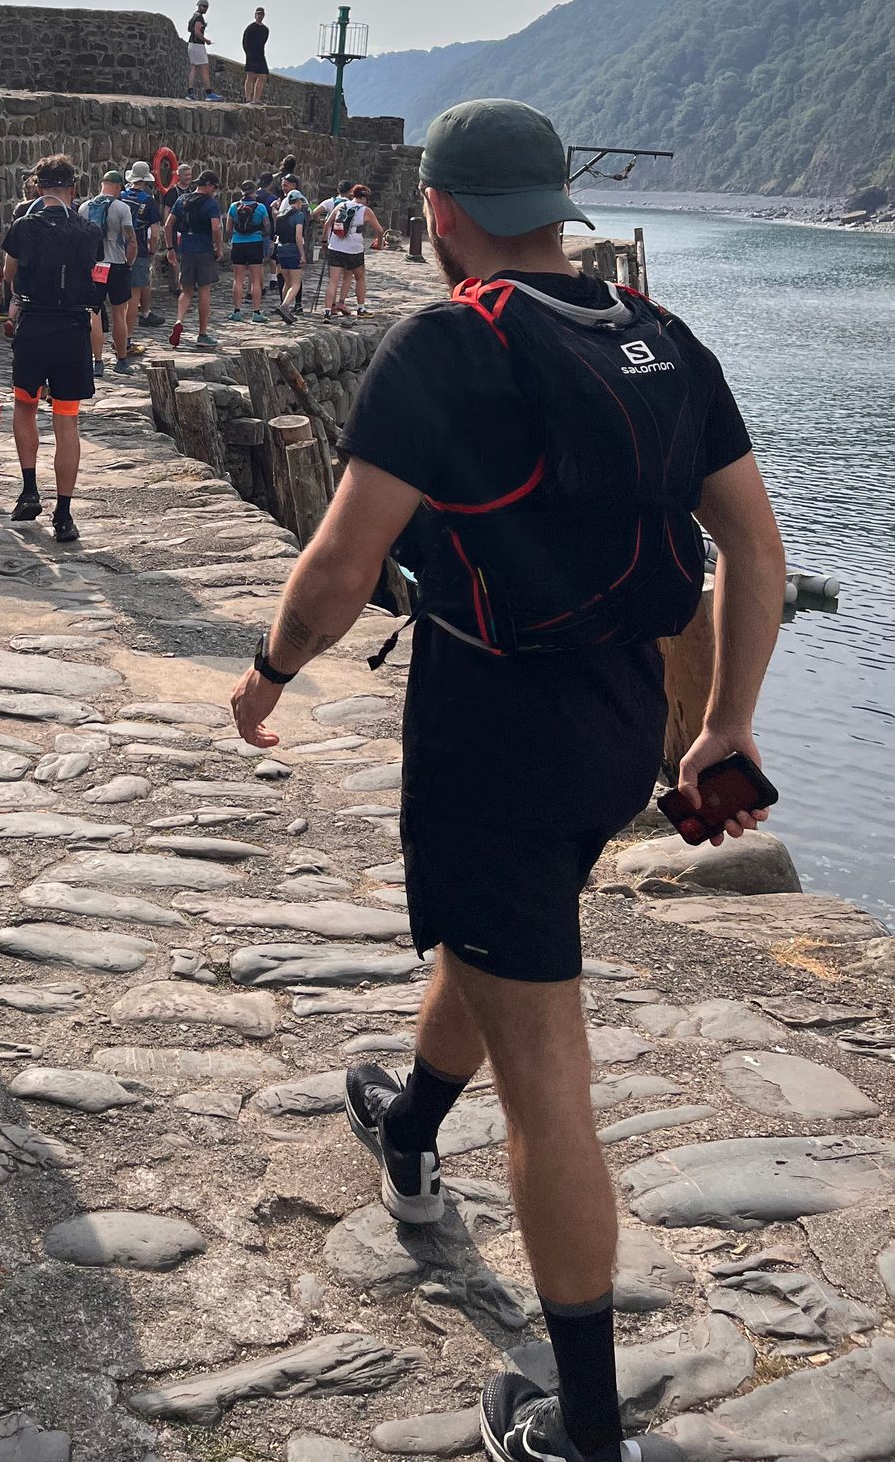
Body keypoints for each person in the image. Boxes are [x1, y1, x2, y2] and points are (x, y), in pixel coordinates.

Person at [230, 99, 782, 1462]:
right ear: (560, 207)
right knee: (504, 935)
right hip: (619, 726)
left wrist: (269, 673)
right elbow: (754, 551)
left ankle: (584, 1428)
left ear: (443, 212)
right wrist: (719, 728)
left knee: (548, 1069)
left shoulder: (444, 341)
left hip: (494, 734)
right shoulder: (659, 336)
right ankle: (409, 1125)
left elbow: (346, 565)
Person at [1, 153, 100, 543]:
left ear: (38, 188)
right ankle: (64, 513)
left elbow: (9, 273)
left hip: (35, 328)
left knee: (25, 406)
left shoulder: (24, 226)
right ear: (73, 188)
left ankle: (28, 488)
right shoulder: (87, 229)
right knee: (67, 421)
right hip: (72, 331)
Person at [80, 167, 140, 375]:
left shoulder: (85, 207)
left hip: (94, 266)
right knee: (119, 314)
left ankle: (97, 362)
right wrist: (128, 264)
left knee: (93, 313)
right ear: (116, 187)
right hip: (116, 264)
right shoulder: (121, 208)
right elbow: (131, 241)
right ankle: (121, 360)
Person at [164, 168, 222, 350]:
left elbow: (168, 225)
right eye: (214, 187)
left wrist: (170, 248)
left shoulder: (182, 200)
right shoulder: (211, 204)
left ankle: (179, 320)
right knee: (204, 291)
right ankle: (202, 333)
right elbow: (215, 228)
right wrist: (218, 247)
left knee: (186, 291)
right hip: (204, 250)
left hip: (186, 250)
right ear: (209, 185)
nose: (214, 190)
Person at [322, 180, 385, 319]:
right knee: (360, 278)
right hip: (354, 249)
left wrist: (325, 242)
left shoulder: (341, 205)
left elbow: (327, 224)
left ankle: (327, 311)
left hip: (335, 247)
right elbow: (380, 230)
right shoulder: (365, 211)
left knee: (333, 280)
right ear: (365, 198)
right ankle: (361, 308)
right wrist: (379, 245)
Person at [122, 162, 164, 327]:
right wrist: (152, 251)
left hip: (119, 248)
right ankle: (129, 331)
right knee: (136, 289)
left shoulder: (121, 195)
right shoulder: (149, 201)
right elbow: (154, 233)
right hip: (138, 248)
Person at [227, 178, 272, 321]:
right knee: (255, 279)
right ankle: (256, 312)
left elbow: (228, 228)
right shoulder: (261, 208)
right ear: (254, 192)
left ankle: (236, 311)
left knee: (238, 279)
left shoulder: (234, 207)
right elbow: (267, 228)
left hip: (238, 244)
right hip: (255, 244)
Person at [272, 189, 308, 319]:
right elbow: (298, 236)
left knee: (287, 282)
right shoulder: (299, 215)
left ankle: (284, 306)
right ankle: (285, 306)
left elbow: (275, 220)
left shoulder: (281, 214)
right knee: (295, 283)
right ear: (298, 201)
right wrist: (302, 254)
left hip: (281, 249)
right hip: (293, 249)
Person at [242, 6, 270, 104]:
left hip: (260, 55)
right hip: (251, 54)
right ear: (255, 15)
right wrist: (248, 54)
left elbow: (263, 42)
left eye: (261, 14)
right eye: (258, 14)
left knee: (263, 76)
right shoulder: (250, 28)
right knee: (250, 76)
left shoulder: (265, 30)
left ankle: (256, 99)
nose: (260, 16)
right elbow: (245, 42)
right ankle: (248, 99)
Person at [185, 1, 210, 97]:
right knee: (204, 68)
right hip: (198, 45)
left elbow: (189, 29)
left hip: (191, 44)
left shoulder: (193, 16)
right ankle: (209, 93)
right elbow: (197, 32)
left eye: (206, 7)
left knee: (194, 68)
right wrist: (206, 40)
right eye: (203, 6)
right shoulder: (199, 17)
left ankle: (190, 93)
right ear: (199, 6)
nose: (205, 8)